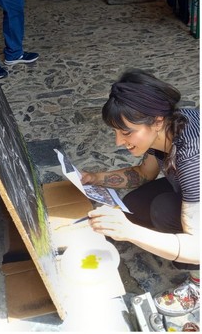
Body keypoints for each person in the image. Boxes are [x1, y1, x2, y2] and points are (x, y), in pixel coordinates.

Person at [83, 70, 199, 317]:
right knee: (133, 206)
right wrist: (96, 178)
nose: (118, 142)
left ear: (156, 121)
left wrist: (130, 233)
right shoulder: (170, 125)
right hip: (191, 188)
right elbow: (144, 174)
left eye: (126, 132)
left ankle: (197, 283)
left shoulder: (191, 156)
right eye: (116, 132)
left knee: (162, 211)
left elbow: (197, 245)